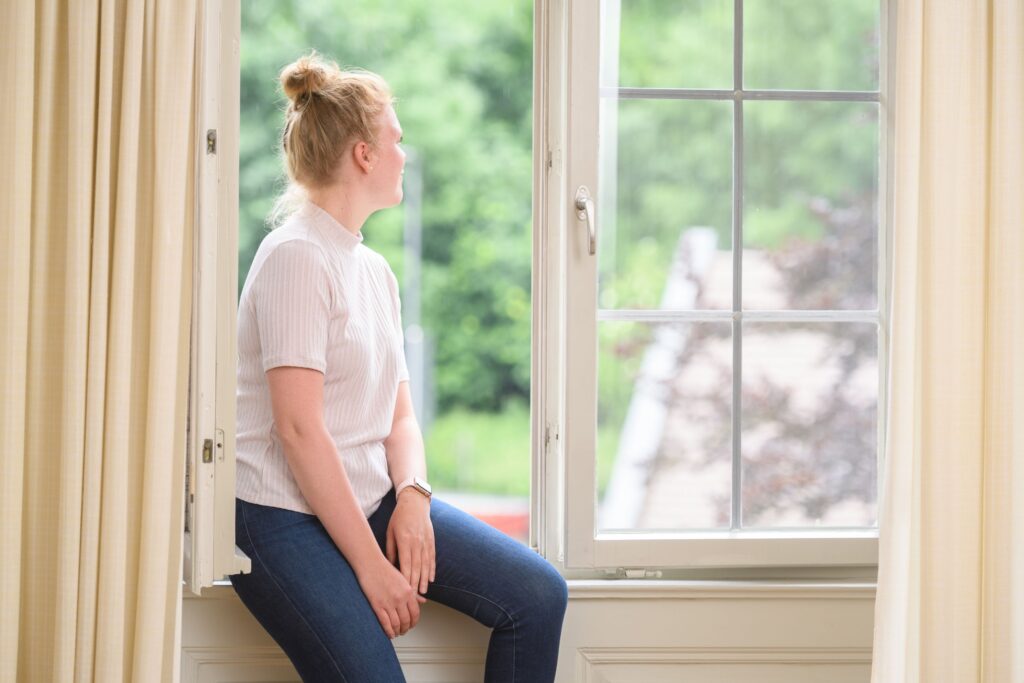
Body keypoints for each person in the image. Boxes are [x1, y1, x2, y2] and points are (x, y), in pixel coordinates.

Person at [228, 52, 568, 683]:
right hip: (280, 517)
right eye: (396, 141)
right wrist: (372, 567)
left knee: (538, 594)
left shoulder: (374, 271)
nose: (403, 154)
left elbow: (400, 414)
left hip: (373, 496)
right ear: (364, 154)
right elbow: (298, 431)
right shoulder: (295, 258)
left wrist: (412, 496)